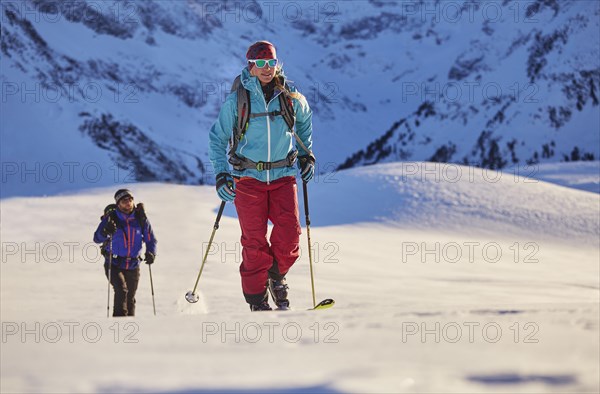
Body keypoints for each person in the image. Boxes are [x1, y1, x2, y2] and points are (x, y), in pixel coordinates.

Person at [209, 41, 315, 311]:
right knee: (254, 242)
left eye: (272, 63)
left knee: (290, 235)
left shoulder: (290, 96)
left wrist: (306, 154)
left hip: (282, 176)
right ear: (251, 66)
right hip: (247, 179)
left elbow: (304, 121)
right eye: (261, 64)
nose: (267, 69)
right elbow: (217, 139)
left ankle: (276, 276)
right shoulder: (238, 100)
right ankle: (257, 301)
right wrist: (222, 174)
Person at [94, 189, 157, 317]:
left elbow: (151, 239)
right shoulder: (111, 218)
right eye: (124, 201)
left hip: (133, 264)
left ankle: (130, 326)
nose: (128, 203)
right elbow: (96, 238)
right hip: (114, 263)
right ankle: (119, 324)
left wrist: (151, 253)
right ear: (118, 204)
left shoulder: (141, 218)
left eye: (130, 200)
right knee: (122, 291)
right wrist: (106, 231)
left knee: (130, 298)